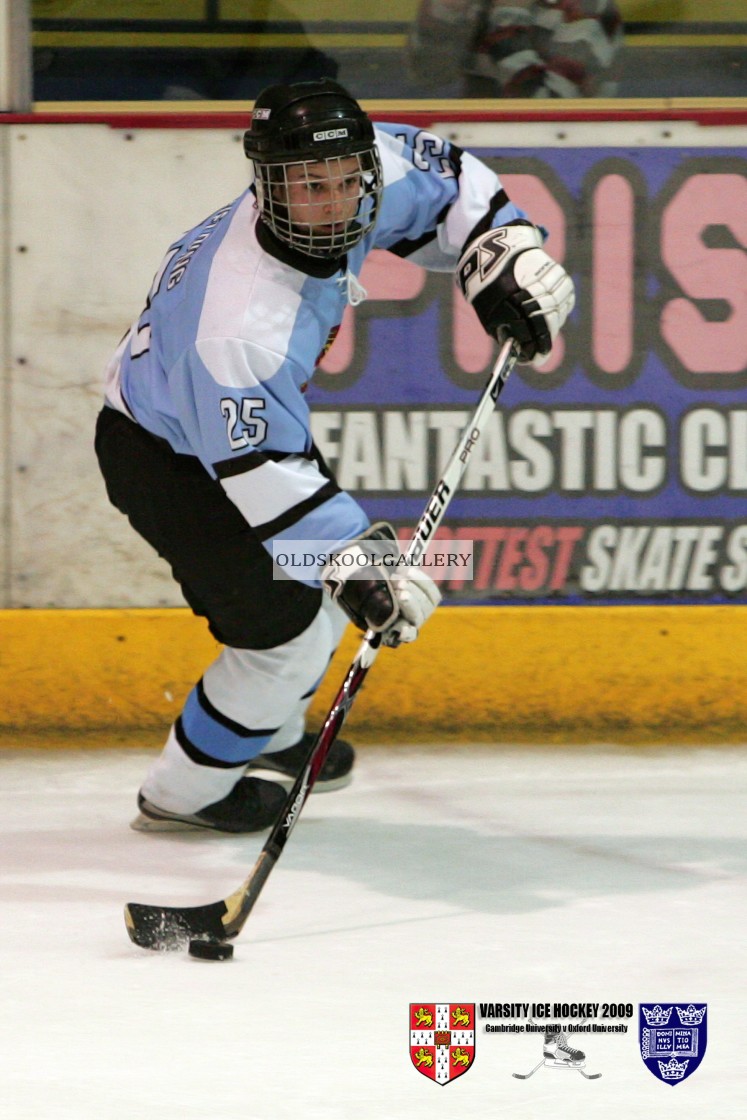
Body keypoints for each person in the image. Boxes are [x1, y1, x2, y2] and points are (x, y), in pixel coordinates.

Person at [95, 78, 574, 834]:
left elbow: (452, 185)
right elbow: (266, 479)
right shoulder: (238, 323)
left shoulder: (361, 169)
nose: (332, 201)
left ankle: (274, 738)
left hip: (221, 433)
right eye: (307, 185)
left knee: (308, 599)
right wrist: (363, 570)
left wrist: (503, 252)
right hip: (169, 463)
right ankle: (184, 795)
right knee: (286, 639)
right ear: (267, 183)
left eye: (346, 180)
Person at [408, 0, 623, 99]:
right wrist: (444, 13)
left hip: (559, 161)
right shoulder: (480, 5)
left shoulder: (588, 8)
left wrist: (509, 16)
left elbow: (550, 111)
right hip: (471, 151)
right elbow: (427, 78)